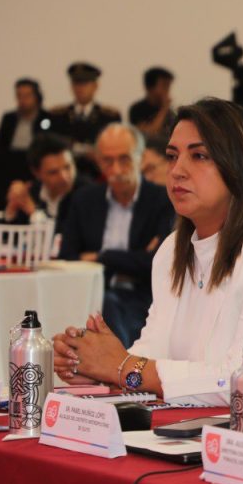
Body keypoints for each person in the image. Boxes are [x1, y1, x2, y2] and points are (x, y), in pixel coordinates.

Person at [52, 98, 243, 407]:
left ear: (239, 167)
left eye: (199, 156)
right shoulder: (172, 250)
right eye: (172, 156)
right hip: (214, 428)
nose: (177, 171)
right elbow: (152, 354)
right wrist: (97, 367)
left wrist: (121, 367)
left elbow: (240, 382)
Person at [58, 123, 175, 346]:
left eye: (124, 159)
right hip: (88, 295)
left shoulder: (162, 200)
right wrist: (132, 259)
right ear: (97, 161)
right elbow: (67, 258)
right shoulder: (84, 200)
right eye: (107, 161)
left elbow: (156, 263)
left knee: (108, 307)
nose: (117, 169)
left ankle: (120, 364)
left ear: (141, 158)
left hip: (143, 299)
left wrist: (101, 257)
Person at [2, 134, 83, 238]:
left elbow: (68, 237)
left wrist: (32, 211)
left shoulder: (86, 193)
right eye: (53, 172)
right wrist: (12, 207)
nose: (64, 177)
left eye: (68, 167)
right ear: (36, 173)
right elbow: (8, 238)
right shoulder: (33, 191)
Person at [48, 62, 121, 156]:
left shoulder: (109, 116)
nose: (80, 89)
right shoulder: (57, 115)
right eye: (76, 84)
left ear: (95, 86)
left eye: (85, 84)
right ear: (71, 87)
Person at [0, 78, 51, 150]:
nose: (22, 100)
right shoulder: (9, 118)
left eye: (27, 96)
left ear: (37, 97)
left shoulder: (47, 118)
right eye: (19, 96)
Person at [129, 67, 176, 139]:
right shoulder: (137, 109)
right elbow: (149, 134)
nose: (167, 90)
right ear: (150, 87)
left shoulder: (170, 113)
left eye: (168, 86)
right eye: (164, 85)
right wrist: (164, 109)